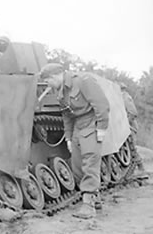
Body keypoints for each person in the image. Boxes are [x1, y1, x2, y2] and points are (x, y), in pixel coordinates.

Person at [40, 63, 110, 219]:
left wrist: (102, 129)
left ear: (54, 76)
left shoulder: (83, 81)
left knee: (90, 161)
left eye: (47, 81)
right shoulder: (60, 92)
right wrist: (69, 137)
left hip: (91, 121)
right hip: (78, 126)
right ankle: (95, 200)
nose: (48, 85)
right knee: (77, 166)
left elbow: (101, 104)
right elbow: (66, 116)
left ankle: (88, 206)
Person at [120, 82, 145, 173]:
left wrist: (125, 123)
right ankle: (134, 169)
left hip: (129, 127)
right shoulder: (121, 97)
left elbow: (133, 112)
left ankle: (140, 167)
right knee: (129, 149)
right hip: (125, 127)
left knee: (132, 148)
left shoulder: (125, 97)